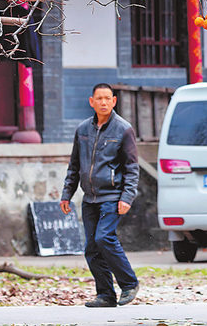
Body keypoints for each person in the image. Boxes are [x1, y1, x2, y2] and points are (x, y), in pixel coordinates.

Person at [60, 83, 140, 308]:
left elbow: (132, 168)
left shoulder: (124, 129)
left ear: (114, 101)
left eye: (108, 98)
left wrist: (127, 197)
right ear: (91, 101)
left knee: (104, 238)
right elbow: (74, 165)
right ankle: (105, 294)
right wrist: (67, 194)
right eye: (99, 98)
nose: (103, 102)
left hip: (113, 196)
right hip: (89, 199)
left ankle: (129, 283)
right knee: (92, 248)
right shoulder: (82, 129)